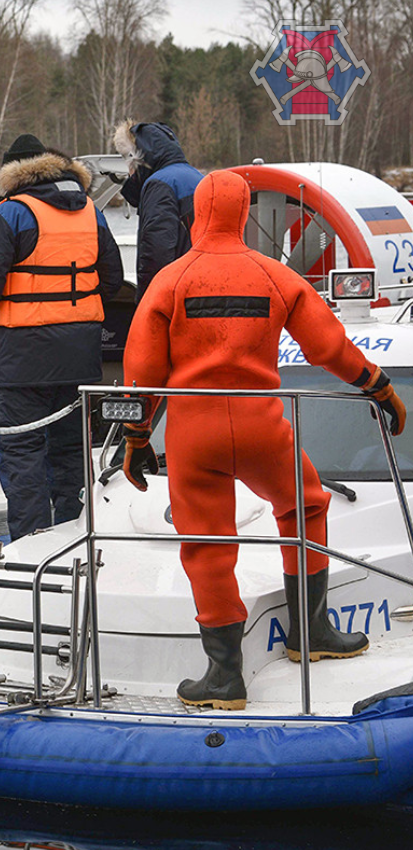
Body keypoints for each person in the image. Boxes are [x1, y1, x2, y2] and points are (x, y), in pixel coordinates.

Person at [121, 170, 406, 710]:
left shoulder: (170, 280)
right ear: (246, 211)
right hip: (262, 426)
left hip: (193, 431)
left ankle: (224, 678)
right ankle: (312, 633)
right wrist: (380, 386)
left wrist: (137, 437)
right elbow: (329, 346)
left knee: (207, 545)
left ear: (196, 214)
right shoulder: (274, 275)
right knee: (306, 504)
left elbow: (142, 371)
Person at [0, 135, 124, 541]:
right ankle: (74, 542)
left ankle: (30, 549)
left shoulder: (9, 214)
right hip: (79, 357)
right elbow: (111, 279)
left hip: (22, 358)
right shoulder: (92, 212)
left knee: (22, 454)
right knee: (71, 452)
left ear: (13, 174)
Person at [113, 121, 203, 302]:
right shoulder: (199, 178)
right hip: (201, 288)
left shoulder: (160, 184)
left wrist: (147, 303)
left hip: (176, 297)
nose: (129, 171)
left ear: (138, 158)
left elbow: (157, 252)